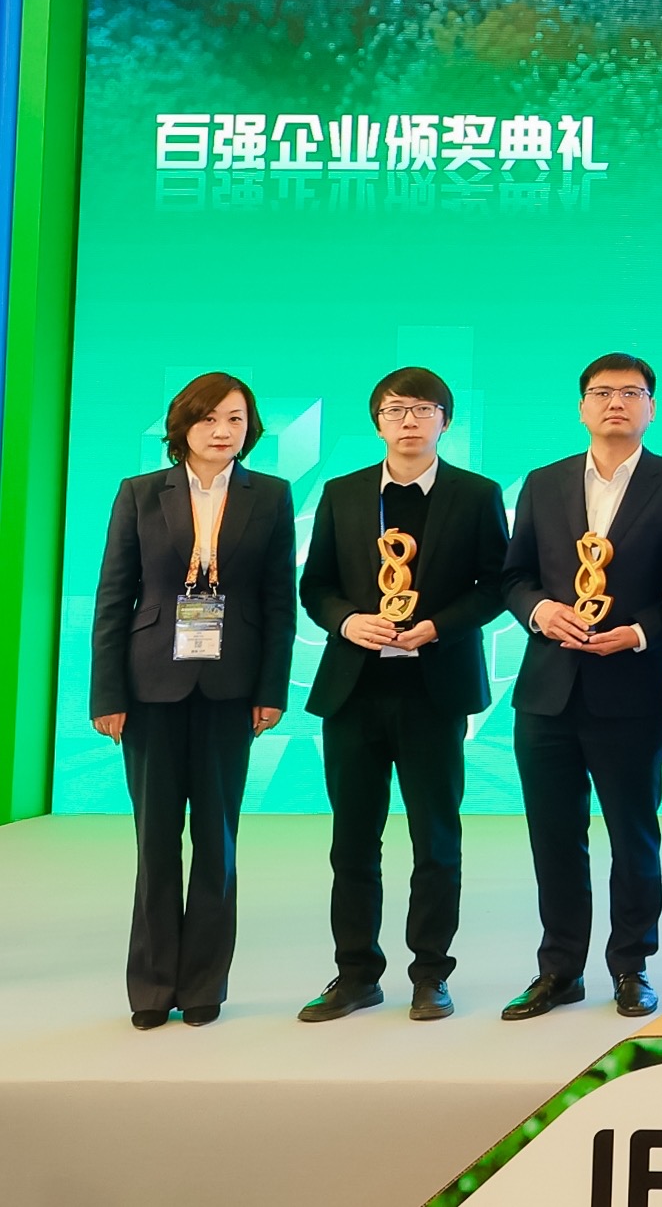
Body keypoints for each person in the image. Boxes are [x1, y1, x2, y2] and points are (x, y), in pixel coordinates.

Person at [498, 353, 662, 1021]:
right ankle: (559, 970)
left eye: (631, 392)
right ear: (582, 407)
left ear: (651, 407)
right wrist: (540, 611)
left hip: (632, 687)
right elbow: (514, 576)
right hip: (547, 691)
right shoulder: (544, 482)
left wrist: (640, 633)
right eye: (601, 392)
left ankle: (631, 966)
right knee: (554, 837)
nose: (615, 402)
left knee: (633, 835)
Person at [296, 367, 508, 1024]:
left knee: (436, 841)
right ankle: (355, 974)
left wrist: (438, 626)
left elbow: (496, 585)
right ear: (377, 422)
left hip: (432, 691)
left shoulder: (476, 494)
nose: (408, 421)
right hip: (354, 690)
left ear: (446, 420)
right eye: (395, 410)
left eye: (422, 409)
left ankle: (430, 975)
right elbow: (316, 585)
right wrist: (346, 621)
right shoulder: (343, 493)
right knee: (352, 843)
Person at [90, 372, 295, 1028]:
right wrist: (107, 694)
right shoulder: (140, 492)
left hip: (232, 687)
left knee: (217, 841)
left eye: (236, 419)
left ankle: (204, 984)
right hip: (150, 686)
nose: (222, 431)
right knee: (155, 844)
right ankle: (152, 988)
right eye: (209, 418)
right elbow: (113, 598)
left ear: (250, 428)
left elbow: (278, 602)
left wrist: (271, 689)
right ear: (183, 425)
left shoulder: (271, 495)